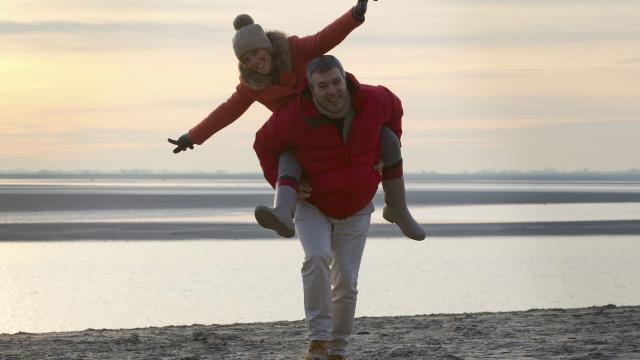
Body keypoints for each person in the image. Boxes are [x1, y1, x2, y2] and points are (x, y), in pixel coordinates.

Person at [168, 1, 425, 241]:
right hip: (306, 135)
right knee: (287, 155)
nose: (255, 62)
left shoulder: (295, 50)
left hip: (338, 114)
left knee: (388, 138)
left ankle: (398, 208)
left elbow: (325, 38)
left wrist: (355, 14)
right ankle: (282, 212)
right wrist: (192, 137)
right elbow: (226, 111)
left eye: (256, 53)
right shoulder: (252, 86)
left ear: (267, 45)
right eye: (247, 60)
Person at [253, 55, 413, 360]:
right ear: (312, 90)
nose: (332, 90)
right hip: (312, 205)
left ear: (345, 78)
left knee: (347, 281)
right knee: (316, 257)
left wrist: (391, 147)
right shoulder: (294, 116)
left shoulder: (374, 99)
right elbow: (263, 144)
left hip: (357, 206)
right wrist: (281, 182)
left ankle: (337, 351)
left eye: (336, 82)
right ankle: (318, 341)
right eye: (323, 86)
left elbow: (396, 110)